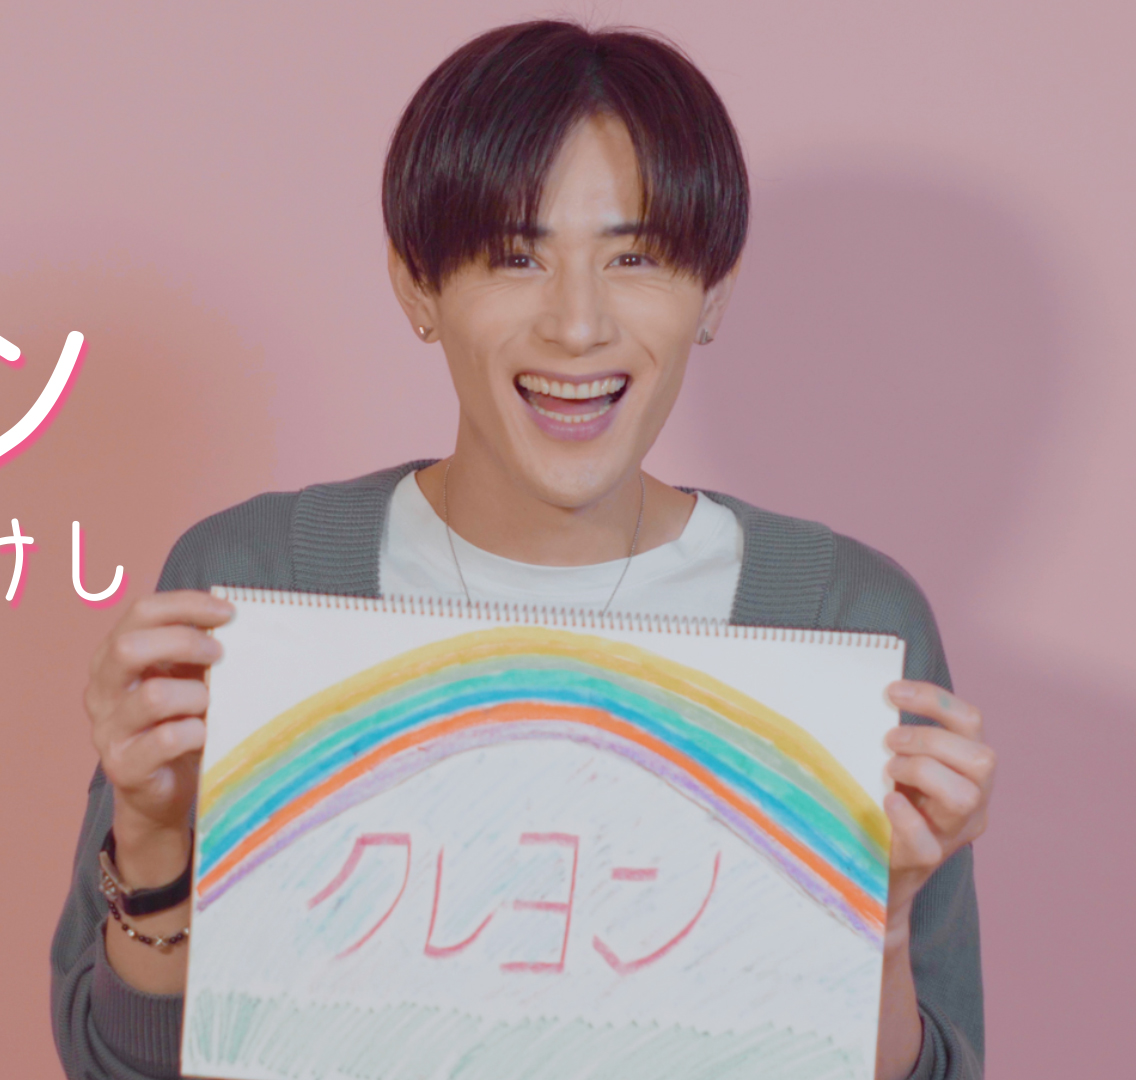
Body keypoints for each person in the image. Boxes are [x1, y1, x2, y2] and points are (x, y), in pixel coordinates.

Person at [51, 20, 990, 1080]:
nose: (577, 325)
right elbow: (112, 1064)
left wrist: (880, 930)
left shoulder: (844, 622)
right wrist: (155, 839)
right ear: (417, 284)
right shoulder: (256, 585)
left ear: (714, 291)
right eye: (514, 256)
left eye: (634, 257)